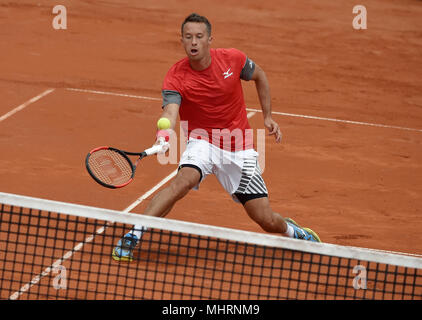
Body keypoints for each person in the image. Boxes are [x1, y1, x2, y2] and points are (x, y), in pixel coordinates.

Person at [112, 13, 321, 262]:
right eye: (188, 37)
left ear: (210, 39)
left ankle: (292, 231)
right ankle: (133, 235)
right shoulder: (176, 76)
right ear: (182, 40)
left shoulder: (233, 59)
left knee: (265, 219)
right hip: (203, 142)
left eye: (199, 37)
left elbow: (260, 76)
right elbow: (170, 111)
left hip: (239, 146)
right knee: (182, 183)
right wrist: (164, 135)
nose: (194, 42)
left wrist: (267, 117)